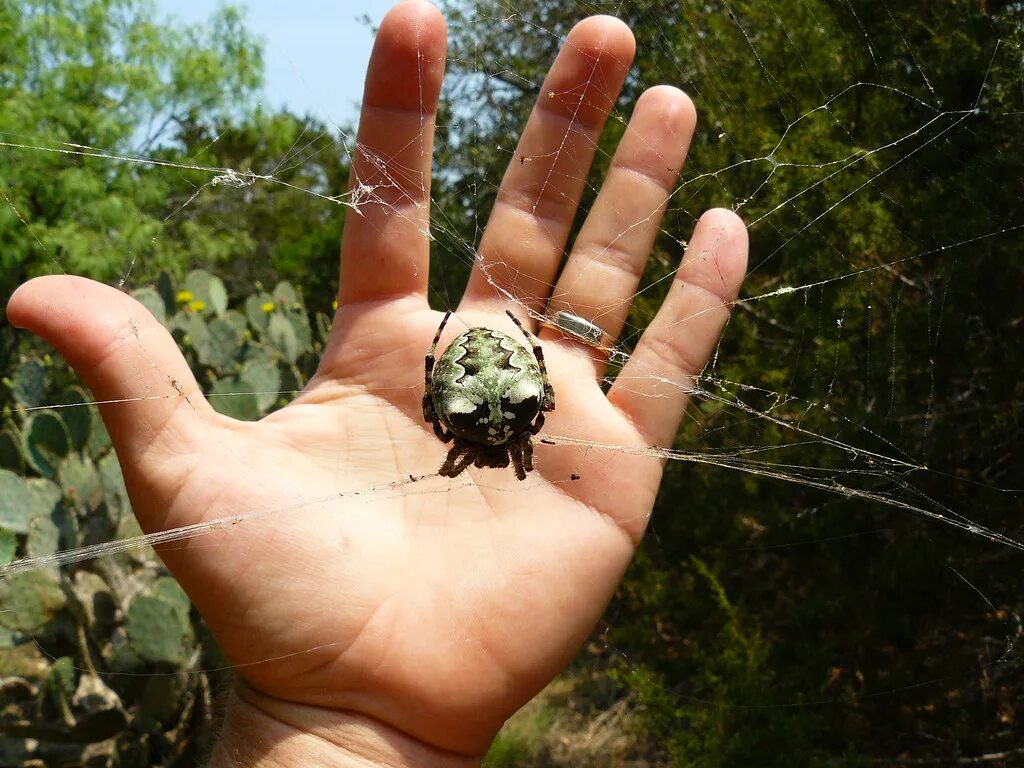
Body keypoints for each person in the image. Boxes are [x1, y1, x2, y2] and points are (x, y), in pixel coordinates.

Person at [7, 2, 747, 765]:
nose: (486, 465)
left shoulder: (469, 441)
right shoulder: (510, 441)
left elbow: (451, 414)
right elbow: (502, 412)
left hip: (484, 380)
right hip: (499, 380)